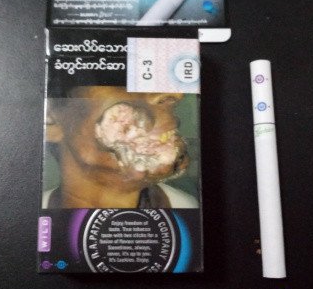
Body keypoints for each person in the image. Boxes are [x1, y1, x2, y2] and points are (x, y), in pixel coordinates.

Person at [42, 86, 199, 209]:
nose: (177, 94)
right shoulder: (31, 226)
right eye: (119, 78)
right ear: (51, 120)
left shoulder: (191, 209)